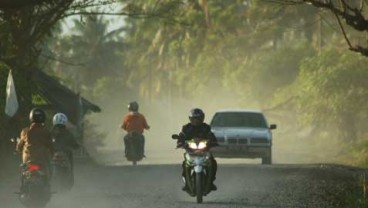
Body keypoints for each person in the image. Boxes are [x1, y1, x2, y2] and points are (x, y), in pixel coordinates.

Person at [176, 108, 218, 191]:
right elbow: (181, 137)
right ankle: (187, 184)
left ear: (202, 118)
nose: (196, 120)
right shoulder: (186, 128)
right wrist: (180, 143)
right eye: (194, 118)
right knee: (185, 164)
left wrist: (213, 141)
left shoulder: (206, 127)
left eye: (198, 118)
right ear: (190, 119)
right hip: (190, 152)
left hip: (204, 151)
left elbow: (212, 136)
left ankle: (211, 182)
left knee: (213, 162)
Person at [16, 108, 54, 188]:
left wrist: (18, 149)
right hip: (42, 161)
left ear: (31, 117)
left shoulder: (25, 131)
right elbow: (51, 147)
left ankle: (23, 188)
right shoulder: (46, 132)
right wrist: (52, 154)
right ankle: (47, 187)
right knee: (50, 169)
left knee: (22, 172)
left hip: (27, 161)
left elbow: (19, 147)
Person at [51, 113, 80, 182]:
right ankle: (70, 177)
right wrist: (77, 146)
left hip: (52, 153)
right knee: (70, 165)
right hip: (65, 154)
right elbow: (75, 144)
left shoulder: (51, 132)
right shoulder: (68, 133)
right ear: (65, 121)